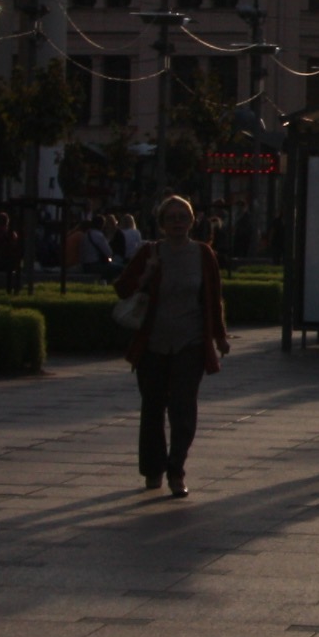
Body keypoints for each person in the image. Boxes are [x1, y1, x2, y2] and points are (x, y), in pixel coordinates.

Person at [116, 195, 228, 497]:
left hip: (189, 343)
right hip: (152, 343)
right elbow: (122, 289)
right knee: (152, 409)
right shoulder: (149, 252)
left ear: (193, 221)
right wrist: (147, 274)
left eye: (183, 216)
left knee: (183, 409)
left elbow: (213, 297)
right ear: (162, 223)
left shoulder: (203, 254)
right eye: (172, 217)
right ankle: (153, 469)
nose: (178, 222)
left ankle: (176, 469)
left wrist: (219, 336)